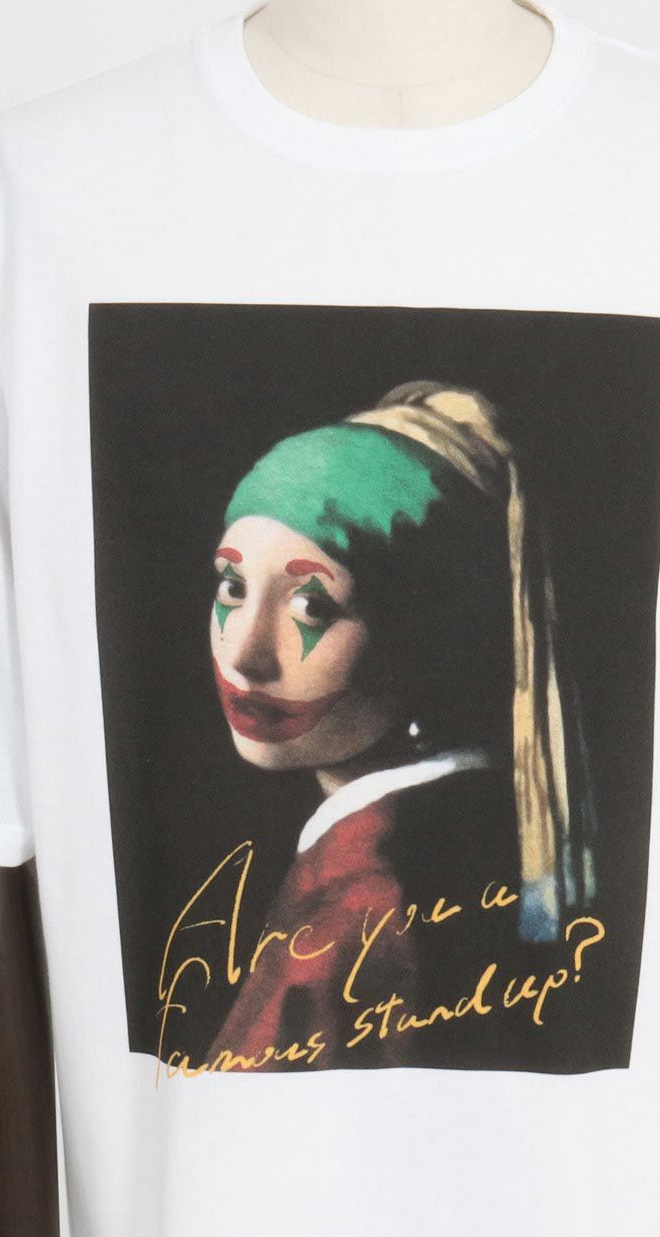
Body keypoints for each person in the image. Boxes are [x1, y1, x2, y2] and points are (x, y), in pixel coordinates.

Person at [203, 378, 601, 1072]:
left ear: (429, 637)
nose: (244, 654)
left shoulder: (365, 898)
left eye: (312, 606)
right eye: (233, 588)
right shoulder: (473, 831)